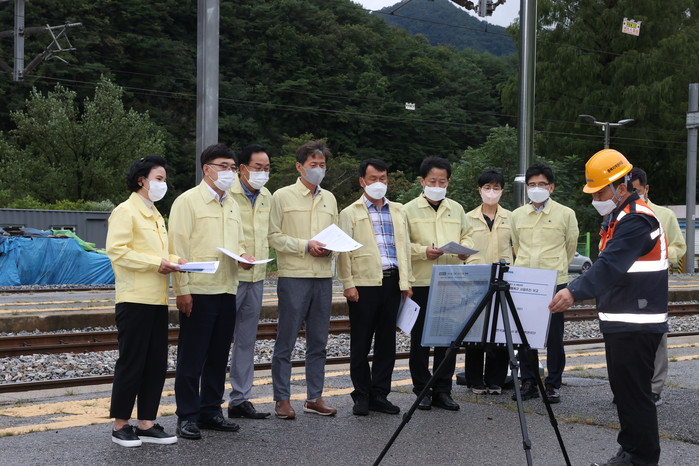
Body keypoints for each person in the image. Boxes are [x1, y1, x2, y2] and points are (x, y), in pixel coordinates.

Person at [549, 149, 668, 466]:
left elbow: (609, 266)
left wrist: (573, 291)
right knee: (626, 395)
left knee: (635, 396)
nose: (596, 198)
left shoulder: (637, 220)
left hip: (637, 323)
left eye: (600, 192)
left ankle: (641, 458)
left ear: (622, 187)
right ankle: (629, 451)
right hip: (625, 322)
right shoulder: (620, 218)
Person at [169, 144, 255, 440]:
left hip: (227, 288)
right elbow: (177, 248)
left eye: (232, 167)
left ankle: (210, 411)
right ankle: (187, 415)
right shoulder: (187, 201)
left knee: (218, 356)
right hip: (198, 290)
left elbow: (238, 243)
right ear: (207, 169)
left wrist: (244, 257)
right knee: (192, 358)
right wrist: (182, 290)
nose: (230, 172)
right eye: (223, 166)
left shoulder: (232, 204)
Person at [106, 155, 182, 447]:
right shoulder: (126, 211)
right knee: (132, 362)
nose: (163, 184)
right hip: (134, 299)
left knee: (155, 362)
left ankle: (147, 422)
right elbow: (118, 251)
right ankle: (120, 425)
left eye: (164, 179)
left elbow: (159, 254)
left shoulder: (155, 215)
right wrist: (157, 263)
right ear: (142, 180)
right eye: (158, 179)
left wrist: (177, 261)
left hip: (157, 299)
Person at [268, 140, 339, 419]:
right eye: (313, 164)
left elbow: (335, 234)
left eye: (322, 165)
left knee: (319, 341)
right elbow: (273, 236)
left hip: (323, 276)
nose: (318, 169)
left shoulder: (330, 198)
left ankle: (314, 397)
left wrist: (331, 249)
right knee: (285, 340)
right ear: (299, 167)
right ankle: (282, 399)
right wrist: (305, 245)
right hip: (294, 275)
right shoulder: (282, 196)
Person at [338, 158, 413, 416]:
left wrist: (406, 283)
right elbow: (343, 252)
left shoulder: (398, 211)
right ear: (362, 181)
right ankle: (361, 395)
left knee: (386, 342)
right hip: (363, 284)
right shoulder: (350, 213)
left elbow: (404, 249)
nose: (379, 183)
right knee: (361, 342)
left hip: (392, 282)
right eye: (373, 179)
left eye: (383, 178)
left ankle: (380, 394)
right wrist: (348, 284)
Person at [403, 157, 471, 411]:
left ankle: (443, 390)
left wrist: (464, 249)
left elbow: (468, 235)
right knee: (420, 339)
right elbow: (402, 245)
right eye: (432, 181)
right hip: (421, 281)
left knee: (448, 339)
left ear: (449, 182)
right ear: (422, 181)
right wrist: (423, 251)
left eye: (442, 182)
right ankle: (422, 390)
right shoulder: (407, 210)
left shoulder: (457, 208)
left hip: (451, 280)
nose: (437, 186)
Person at [510, 162, 578, 403]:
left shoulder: (566, 214)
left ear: (552, 187)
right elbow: (516, 246)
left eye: (542, 184)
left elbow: (570, 247)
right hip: (525, 281)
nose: (536, 188)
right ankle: (529, 381)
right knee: (525, 334)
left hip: (554, 282)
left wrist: (555, 267)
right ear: (526, 187)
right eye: (532, 184)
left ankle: (553, 384)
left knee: (554, 337)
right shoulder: (517, 215)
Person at [630, 167, 686, 407]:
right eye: (628, 190)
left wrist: (657, 254)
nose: (632, 195)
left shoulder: (664, 215)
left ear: (646, 189)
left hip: (653, 283)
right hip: (626, 285)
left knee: (656, 336)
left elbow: (679, 247)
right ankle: (629, 387)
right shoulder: (618, 213)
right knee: (626, 336)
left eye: (636, 190)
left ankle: (654, 388)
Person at [227, 144, 273, 420]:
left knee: (246, 342)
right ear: (242, 168)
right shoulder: (227, 193)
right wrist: (239, 254)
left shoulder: (266, 196)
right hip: (230, 277)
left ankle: (240, 399)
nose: (263, 173)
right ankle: (207, 402)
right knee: (218, 341)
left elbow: (271, 233)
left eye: (267, 168)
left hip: (256, 277)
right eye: (258, 167)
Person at [463, 169, 513, 395]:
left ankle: (496, 380)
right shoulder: (467, 218)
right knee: (475, 331)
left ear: (502, 191)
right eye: (487, 187)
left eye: (496, 188)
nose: (491, 192)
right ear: (479, 190)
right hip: (476, 282)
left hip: (504, 281)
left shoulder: (511, 218)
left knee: (500, 330)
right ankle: (474, 380)